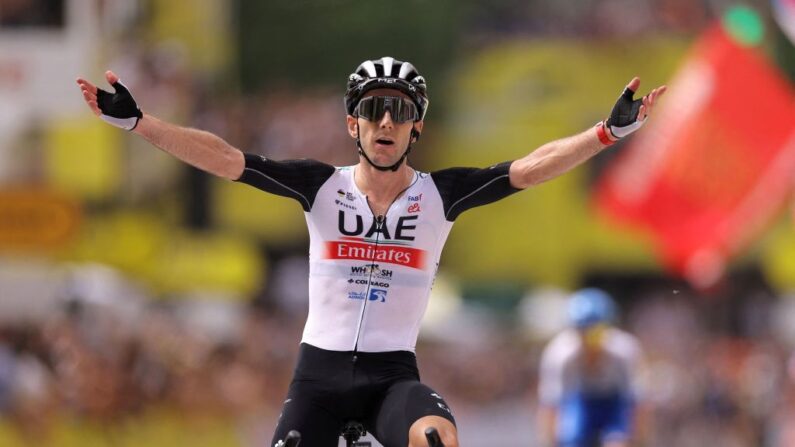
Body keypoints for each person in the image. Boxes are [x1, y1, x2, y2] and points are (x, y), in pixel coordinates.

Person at [76, 56, 665, 447]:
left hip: (391, 379)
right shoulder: (317, 185)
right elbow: (224, 157)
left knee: (437, 437)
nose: (387, 120)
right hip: (318, 378)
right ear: (352, 126)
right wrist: (139, 123)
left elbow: (530, 169)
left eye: (401, 111)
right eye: (373, 110)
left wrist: (606, 134)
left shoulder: (442, 195)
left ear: (417, 130)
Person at [537, 288, 647, 447]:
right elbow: (550, 407)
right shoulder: (560, 356)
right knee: (571, 440)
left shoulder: (624, 352)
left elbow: (638, 404)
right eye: (581, 331)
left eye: (594, 332)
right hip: (579, 401)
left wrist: (640, 441)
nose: (588, 340)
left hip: (614, 401)